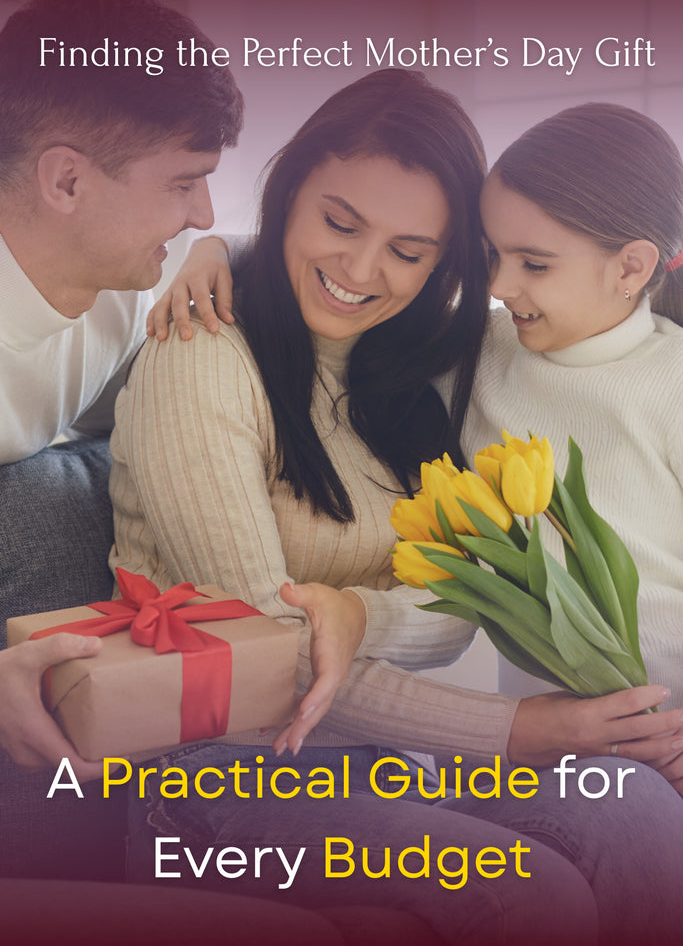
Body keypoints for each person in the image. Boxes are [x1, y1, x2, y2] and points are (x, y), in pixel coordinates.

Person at [111, 70, 683, 946]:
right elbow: (263, 655)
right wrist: (516, 729)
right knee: (530, 895)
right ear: (289, 190)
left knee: (637, 816)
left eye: (409, 251)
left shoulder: (420, 370)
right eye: (338, 223)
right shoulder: (202, 356)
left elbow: (451, 603)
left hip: (379, 762)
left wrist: (354, 613)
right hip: (211, 771)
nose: (359, 270)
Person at [0, 0, 243, 780]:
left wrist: (219, 254)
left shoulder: (124, 291)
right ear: (65, 180)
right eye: (182, 183)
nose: (202, 213)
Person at [460, 101, 683, 790]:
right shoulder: (480, 353)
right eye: (494, 255)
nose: (499, 287)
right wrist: (217, 252)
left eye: (533, 263)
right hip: (529, 747)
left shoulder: (671, 383)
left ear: (630, 268)